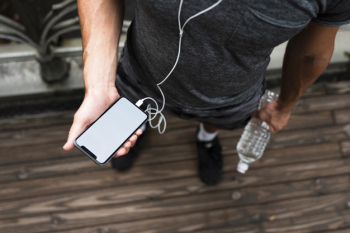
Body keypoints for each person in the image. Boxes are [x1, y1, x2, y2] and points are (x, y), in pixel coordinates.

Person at [63, 0, 350, 185]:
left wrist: (285, 105)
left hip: (231, 96)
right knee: (131, 111)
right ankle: (134, 125)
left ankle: (206, 137)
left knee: (219, 121)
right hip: (138, 74)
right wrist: (99, 85)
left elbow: (310, 54)